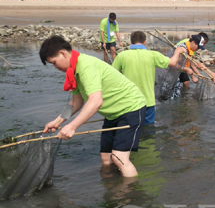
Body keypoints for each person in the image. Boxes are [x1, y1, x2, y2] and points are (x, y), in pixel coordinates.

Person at [39, 36, 147, 178]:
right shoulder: (73, 71)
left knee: (119, 157)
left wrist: (72, 127)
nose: (55, 67)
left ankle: (130, 195)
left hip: (132, 107)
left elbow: (96, 101)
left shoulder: (85, 66)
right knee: (105, 157)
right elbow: (76, 101)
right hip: (112, 113)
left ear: (63, 54)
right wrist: (58, 121)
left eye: (54, 62)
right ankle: (111, 187)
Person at [112, 31, 182, 125]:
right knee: (148, 129)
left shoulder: (121, 56)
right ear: (145, 42)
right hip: (147, 102)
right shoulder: (153, 55)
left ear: (130, 42)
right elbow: (173, 63)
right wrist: (177, 52)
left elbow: (111, 75)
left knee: (130, 129)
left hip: (129, 102)